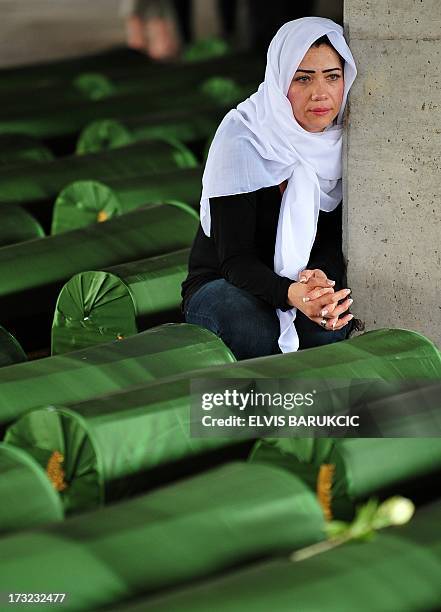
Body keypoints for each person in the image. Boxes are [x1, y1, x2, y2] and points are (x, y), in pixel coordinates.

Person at [181, 17, 357, 360]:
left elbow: (337, 240)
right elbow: (234, 260)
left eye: (332, 76)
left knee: (327, 328)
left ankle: (315, 413)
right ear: (279, 82)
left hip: (300, 285)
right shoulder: (243, 137)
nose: (320, 93)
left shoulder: (342, 146)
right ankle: (265, 414)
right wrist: (292, 293)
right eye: (303, 78)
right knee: (252, 325)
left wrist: (320, 280)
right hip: (226, 284)